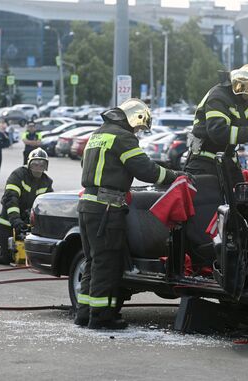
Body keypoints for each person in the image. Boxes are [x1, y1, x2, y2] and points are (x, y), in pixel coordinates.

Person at [76, 98, 188, 330]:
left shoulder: (98, 134)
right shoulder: (123, 137)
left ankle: (84, 313)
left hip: (88, 204)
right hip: (107, 209)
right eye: (138, 126)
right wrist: (174, 175)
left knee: (93, 261)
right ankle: (101, 317)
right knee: (107, 263)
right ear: (133, 118)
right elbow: (146, 170)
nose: (137, 130)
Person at [185, 64, 248, 184]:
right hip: (204, 162)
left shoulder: (243, 100)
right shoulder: (218, 97)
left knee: (242, 198)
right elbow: (218, 132)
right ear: (240, 87)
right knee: (206, 200)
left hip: (227, 161)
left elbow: (244, 124)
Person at [0, 148, 53, 265]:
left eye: (42, 164)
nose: (38, 167)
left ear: (46, 166)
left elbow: (47, 205)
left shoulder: (47, 182)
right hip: (7, 224)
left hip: (28, 226)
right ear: (29, 164)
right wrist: (16, 220)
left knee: (27, 257)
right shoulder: (18, 175)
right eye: (35, 164)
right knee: (8, 258)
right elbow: (10, 198)